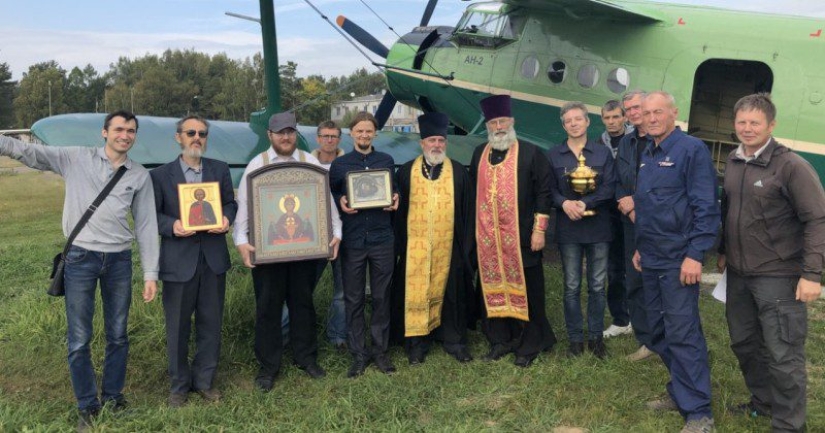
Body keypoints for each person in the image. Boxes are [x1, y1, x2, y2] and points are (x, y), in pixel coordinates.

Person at [0, 110, 159, 430]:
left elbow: (145, 225)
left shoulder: (139, 175)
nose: (125, 135)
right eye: (119, 129)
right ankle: (87, 404)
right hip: (80, 260)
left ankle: (113, 398)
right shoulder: (75, 158)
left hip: (118, 261)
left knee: (118, 335)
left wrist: (150, 273)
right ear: (104, 132)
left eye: (131, 131)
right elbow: (31, 153)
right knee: (79, 337)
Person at [717, 93, 825, 433]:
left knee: (783, 354)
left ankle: (790, 425)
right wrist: (723, 249)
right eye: (741, 122)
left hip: (778, 274)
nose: (747, 129)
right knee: (744, 342)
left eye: (755, 123)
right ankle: (763, 403)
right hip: (738, 272)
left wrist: (812, 273)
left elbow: (818, 219)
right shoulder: (734, 161)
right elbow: (729, 210)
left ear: (771, 125)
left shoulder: (790, 166)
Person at [234, 112, 342, 391]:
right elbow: (245, 206)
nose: (286, 137)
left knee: (303, 304)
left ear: (296, 134)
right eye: (280, 132)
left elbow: (326, 201)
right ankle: (268, 366)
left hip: (305, 250)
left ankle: (306, 358)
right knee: (268, 307)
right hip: (269, 252)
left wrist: (336, 232)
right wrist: (241, 240)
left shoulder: (310, 162)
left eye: (290, 132)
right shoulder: (258, 165)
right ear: (270, 135)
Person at [631, 91, 718, 433]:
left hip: (678, 259)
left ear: (673, 113)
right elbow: (651, 206)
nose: (651, 118)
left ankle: (699, 412)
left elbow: (706, 208)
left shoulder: (691, 150)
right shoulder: (648, 151)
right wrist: (639, 247)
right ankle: (681, 390)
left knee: (682, 333)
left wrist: (695, 255)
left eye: (658, 112)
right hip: (651, 256)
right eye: (647, 113)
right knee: (656, 331)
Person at [150, 115, 237, 408]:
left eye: (201, 133)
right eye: (190, 133)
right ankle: (178, 385)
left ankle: (205, 381)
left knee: (210, 324)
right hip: (178, 260)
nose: (196, 137)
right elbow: (153, 216)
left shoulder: (219, 170)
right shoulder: (160, 176)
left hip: (213, 259)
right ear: (178, 137)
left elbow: (230, 203)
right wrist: (172, 226)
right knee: (177, 327)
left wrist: (227, 218)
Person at [469, 94, 556, 368]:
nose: (498, 127)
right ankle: (500, 340)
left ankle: (530, 343)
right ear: (488, 125)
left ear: (512, 121)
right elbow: (473, 192)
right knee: (491, 289)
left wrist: (539, 231)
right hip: (489, 242)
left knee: (529, 291)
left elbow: (544, 193)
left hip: (522, 238)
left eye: (503, 121)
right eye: (493, 122)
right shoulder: (479, 153)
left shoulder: (531, 153)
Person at [391, 112, 475, 365]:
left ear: (445, 143)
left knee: (452, 293)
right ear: (422, 143)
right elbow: (397, 212)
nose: (436, 145)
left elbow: (468, 212)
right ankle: (417, 342)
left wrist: (467, 248)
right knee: (416, 292)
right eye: (431, 140)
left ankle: (454, 340)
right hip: (414, 249)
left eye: (440, 140)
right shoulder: (406, 172)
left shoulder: (459, 172)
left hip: (450, 248)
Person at [329, 111, 399, 378]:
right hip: (354, 239)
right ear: (351, 133)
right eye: (359, 131)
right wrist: (340, 202)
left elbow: (393, 189)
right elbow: (333, 192)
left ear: (375, 133)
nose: (364, 135)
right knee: (354, 298)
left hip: (382, 237)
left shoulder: (386, 160)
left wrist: (396, 197)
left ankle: (380, 351)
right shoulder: (340, 165)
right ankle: (359, 354)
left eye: (368, 131)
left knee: (382, 297)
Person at [547, 102, 616, 358]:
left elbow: (609, 187)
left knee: (598, 285)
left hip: (598, 228)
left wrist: (584, 203)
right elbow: (549, 189)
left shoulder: (602, 154)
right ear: (563, 125)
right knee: (571, 285)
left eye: (578, 119)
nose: (574, 123)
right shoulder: (554, 155)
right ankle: (575, 340)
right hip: (569, 230)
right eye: (568, 120)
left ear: (588, 122)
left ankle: (596, 339)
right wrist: (564, 203)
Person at [615, 90, 655, 361]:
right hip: (631, 223)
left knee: (660, 280)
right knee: (635, 279)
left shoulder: (666, 141)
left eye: (636, 107)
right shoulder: (627, 143)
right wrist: (627, 206)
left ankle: (665, 335)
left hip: (658, 223)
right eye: (628, 109)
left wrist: (637, 204)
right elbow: (619, 179)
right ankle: (646, 340)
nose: (633, 112)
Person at [598, 100, 633, 339]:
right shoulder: (598, 143)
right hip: (609, 215)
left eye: (616, 117)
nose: (612, 122)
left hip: (632, 212)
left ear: (624, 118)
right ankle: (621, 318)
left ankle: (642, 317)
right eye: (607, 118)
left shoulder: (636, 141)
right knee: (614, 269)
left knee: (638, 267)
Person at [311, 120, 347, 351]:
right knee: (303, 288)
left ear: (339, 139)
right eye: (325, 136)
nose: (329, 140)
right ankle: (297, 334)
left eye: (333, 136)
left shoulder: (347, 164)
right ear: (318, 138)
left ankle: (338, 336)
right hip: (311, 236)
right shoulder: (306, 163)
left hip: (343, 236)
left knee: (342, 290)